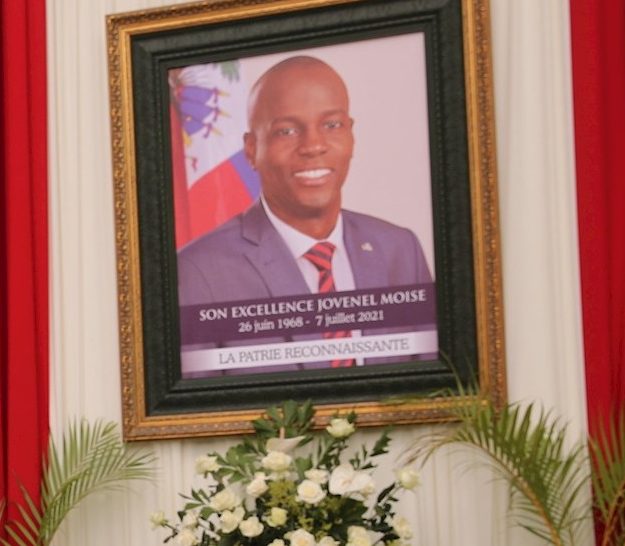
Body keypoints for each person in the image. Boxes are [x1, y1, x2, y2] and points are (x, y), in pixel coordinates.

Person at [176, 55, 433, 373]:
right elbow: (198, 417)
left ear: (351, 135)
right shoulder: (199, 273)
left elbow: (432, 393)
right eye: (286, 131)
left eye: (331, 125)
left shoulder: (400, 250)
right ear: (251, 149)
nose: (313, 145)